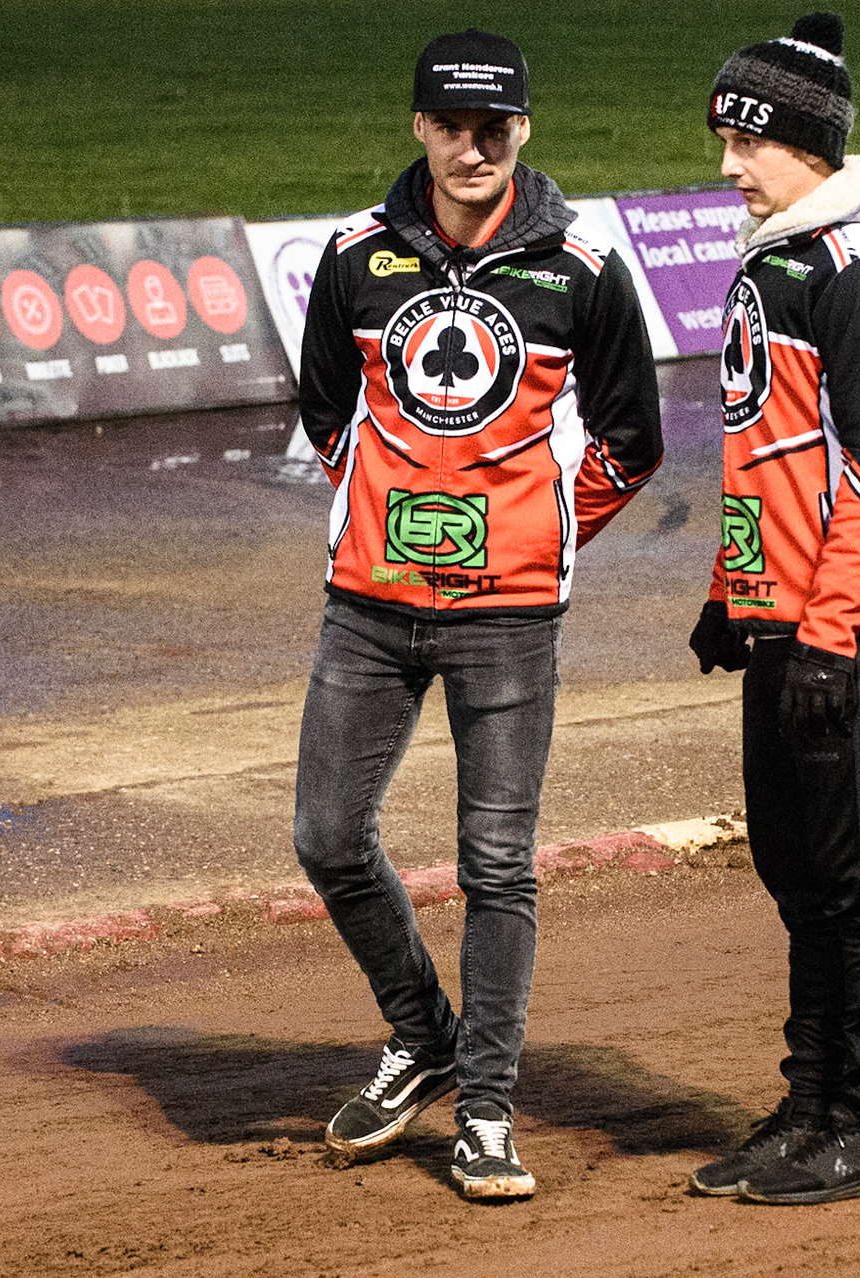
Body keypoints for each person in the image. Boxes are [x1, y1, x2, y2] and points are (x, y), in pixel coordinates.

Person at [291, 28, 663, 1201]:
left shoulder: (583, 272)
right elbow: (326, 418)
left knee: (497, 866)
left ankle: (489, 1112)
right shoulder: (355, 261)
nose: (472, 146)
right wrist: (391, 516)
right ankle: (424, 1034)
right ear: (417, 127)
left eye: (493, 126)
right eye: (451, 125)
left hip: (510, 617)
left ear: (525, 131)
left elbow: (633, 442)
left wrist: (535, 536)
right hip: (367, 608)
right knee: (326, 835)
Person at [685, 11, 860, 1206]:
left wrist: (831, 628)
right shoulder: (782, 257)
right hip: (789, 622)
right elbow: (780, 456)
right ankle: (806, 1113)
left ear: (807, 146)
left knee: (857, 881)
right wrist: (733, 593)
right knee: (794, 873)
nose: (727, 167)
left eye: (747, 144)